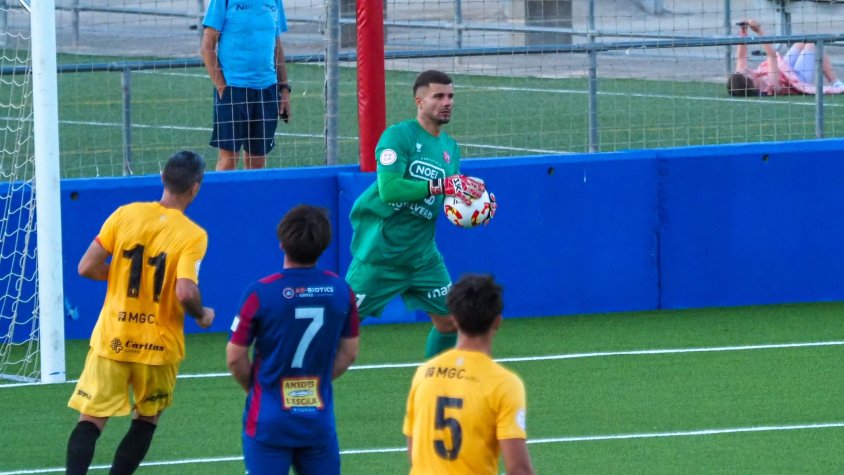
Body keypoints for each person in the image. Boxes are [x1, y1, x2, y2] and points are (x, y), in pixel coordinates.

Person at [66, 151, 215, 475]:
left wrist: (118, 273)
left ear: (162, 176)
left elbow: (86, 267)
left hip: (113, 338)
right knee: (146, 419)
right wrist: (201, 314)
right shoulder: (193, 235)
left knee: (91, 419)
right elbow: (185, 291)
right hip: (158, 347)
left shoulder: (125, 215)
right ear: (195, 188)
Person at [346, 69, 496, 359]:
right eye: (438, 96)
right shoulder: (398, 136)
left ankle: (433, 384)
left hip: (423, 258)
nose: (447, 102)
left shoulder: (450, 147)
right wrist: (442, 185)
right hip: (381, 256)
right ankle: (299, 388)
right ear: (419, 101)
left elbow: (447, 193)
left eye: (451, 96)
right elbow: (389, 190)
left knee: (451, 322)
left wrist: (476, 203)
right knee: (341, 326)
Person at [227, 204, 360, 475]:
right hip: (317, 422)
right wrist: (318, 377)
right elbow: (349, 352)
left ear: (281, 243)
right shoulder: (341, 291)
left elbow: (235, 356)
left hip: (268, 420)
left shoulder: (260, 293)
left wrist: (258, 387)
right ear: (323, 245)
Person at [403, 274, 534, 475]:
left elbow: (414, 452)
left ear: (454, 319)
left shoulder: (424, 374)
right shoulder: (504, 384)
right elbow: (518, 469)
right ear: (497, 322)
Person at [200, 0, 291, 171]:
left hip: (267, 90)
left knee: (258, 161)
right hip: (234, 89)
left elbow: (276, 44)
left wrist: (284, 89)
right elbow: (207, 47)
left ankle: (253, 198)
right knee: (228, 159)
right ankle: (224, 198)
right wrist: (222, 88)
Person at [727, 19, 844, 96]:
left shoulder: (744, 78)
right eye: (745, 73)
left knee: (801, 41)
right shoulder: (769, 85)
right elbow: (772, 56)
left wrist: (743, 31)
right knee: (813, 44)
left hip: (785, 69)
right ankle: (836, 82)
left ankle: (835, 81)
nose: (745, 69)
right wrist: (759, 31)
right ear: (751, 82)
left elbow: (741, 58)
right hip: (797, 79)